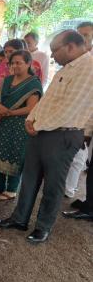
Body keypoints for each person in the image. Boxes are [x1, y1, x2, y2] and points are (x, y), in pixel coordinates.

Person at [0, 30, 93, 244]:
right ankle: (19, 219)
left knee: (52, 186)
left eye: (55, 50)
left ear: (71, 47)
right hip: (42, 130)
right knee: (29, 179)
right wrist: (32, 118)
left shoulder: (88, 68)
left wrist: (37, 124)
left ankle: (43, 227)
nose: (52, 55)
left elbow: (69, 108)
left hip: (62, 134)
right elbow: (47, 101)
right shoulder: (67, 68)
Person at [0, 50, 43, 200]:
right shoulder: (7, 80)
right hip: (2, 122)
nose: (15, 66)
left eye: (19, 63)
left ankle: (11, 190)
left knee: (14, 155)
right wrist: (1, 108)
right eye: (12, 63)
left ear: (28, 63)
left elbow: (31, 108)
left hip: (19, 125)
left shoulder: (33, 84)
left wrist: (9, 112)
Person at [63, 21, 93, 198]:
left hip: (85, 123)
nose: (82, 39)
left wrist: (87, 130)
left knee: (79, 158)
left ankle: (69, 189)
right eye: (79, 35)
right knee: (72, 158)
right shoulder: (74, 59)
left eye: (86, 35)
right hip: (70, 120)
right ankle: (67, 188)